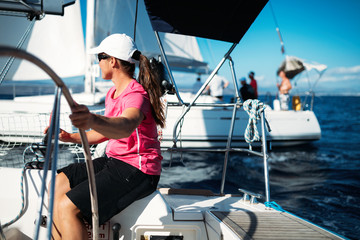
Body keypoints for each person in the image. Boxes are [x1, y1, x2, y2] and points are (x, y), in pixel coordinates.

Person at [48, 33, 165, 240]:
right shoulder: (112, 94)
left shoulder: (135, 95)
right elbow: (106, 131)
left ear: (112, 61)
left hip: (139, 170)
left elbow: (125, 126)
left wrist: (92, 119)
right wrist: (69, 137)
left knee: (67, 207)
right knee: (56, 184)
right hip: (115, 162)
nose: (98, 63)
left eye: (99, 57)